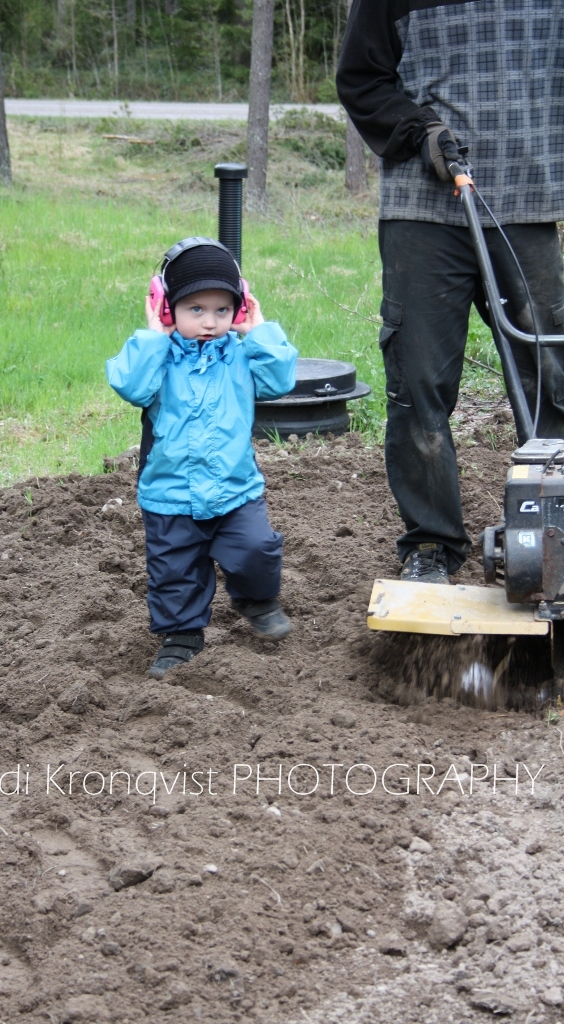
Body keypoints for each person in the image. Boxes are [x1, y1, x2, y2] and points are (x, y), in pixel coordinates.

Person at [337, 0, 564, 584]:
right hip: (422, 206)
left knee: (550, 377)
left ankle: (555, 531)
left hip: (530, 201)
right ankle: (431, 544)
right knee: (418, 384)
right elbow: (361, 78)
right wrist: (419, 131)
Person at [106, 238, 298, 678]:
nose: (210, 322)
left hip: (235, 489)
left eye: (222, 310)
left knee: (256, 548)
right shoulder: (157, 358)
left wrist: (258, 330)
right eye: (195, 309)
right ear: (167, 307)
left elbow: (280, 380)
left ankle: (257, 600)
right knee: (175, 572)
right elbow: (131, 386)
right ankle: (182, 636)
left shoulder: (242, 356)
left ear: (239, 308)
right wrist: (154, 335)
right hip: (170, 493)